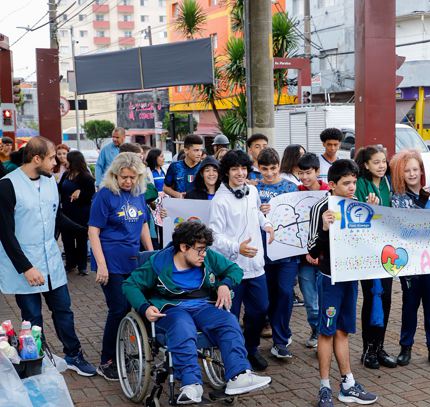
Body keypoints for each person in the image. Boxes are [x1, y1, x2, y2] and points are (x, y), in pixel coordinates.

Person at [122, 221, 272, 403]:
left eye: (206, 249)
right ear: (184, 247)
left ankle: (238, 375)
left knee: (228, 321)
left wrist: (225, 284)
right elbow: (130, 285)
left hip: (203, 305)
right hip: (172, 307)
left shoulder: (208, 257)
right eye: (200, 249)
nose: (204, 254)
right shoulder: (158, 263)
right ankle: (191, 384)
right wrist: (145, 308)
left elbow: (234, 269)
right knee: (182, 326)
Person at [0, 136, 96, 376]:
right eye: (52, 157)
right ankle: (36, 361)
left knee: (63, 309)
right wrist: (26, 267)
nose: (56, 162)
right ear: (36, 158)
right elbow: (5, 233)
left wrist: (86, 232)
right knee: (32, 316)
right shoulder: (7, 185)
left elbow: (56, 217)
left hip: (51, 260)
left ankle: (74, 355)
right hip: (24, 264)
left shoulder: (51, 182)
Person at [308, 159, 378, 407]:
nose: (351, 187)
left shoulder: (356, 206)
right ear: (332, 184)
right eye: (346, 183)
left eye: (354, 182)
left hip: (351, 277)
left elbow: (367, 242)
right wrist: (325, 229)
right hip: (329, 279)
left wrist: (373, 214)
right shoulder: (320, 208)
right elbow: (312, 252)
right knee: (326, 332)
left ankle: (347, 383)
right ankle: (324, 387)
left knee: (343, 331)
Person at [88, 152, 155, 380]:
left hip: (134, 261)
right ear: (114, 175)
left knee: (134, 307)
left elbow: (143, 223)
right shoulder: (105, 195)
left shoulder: (138, 193)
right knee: (117, 309)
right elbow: (93, 231)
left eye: (132, 177)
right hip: (111, 262)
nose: (128, 181)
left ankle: (125, 351)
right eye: (123, 177)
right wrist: (101, 265)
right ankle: (107, 361)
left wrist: (151, 254)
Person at [209, 150, 275, 372]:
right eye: (235, 169)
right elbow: (214, 237)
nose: (240, 173)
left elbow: (256, 213)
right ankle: (234, 358)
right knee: (230, 317)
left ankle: (251, 348)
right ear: (226, 171)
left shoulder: (253, 191)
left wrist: (266, 224)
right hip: (231, 269)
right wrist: (237, 247)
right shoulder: (219, 201)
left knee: (259, 310)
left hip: (256, 267)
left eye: (244, 168)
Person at [388, 150, 430, 369]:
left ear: (422, 171)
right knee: (410, 305)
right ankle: (406, 348)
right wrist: (422, 200)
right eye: (407, 170)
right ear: (400, 173)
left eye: (415, 169)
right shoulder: (397, 197)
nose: (412, 173)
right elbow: (406, 224)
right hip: (409, 261)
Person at [353, 145, 396, 370]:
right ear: (366, 165)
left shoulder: (390, 183)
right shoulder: (360, 184)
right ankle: (367, 350)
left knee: (386, 298)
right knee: (371, 297)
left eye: (383, 161)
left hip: (387, 251)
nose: (381, 166)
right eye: (376, 162)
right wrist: (369, 208)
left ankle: (379, 347)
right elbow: (356, 216)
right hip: (367, 250)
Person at [254, 148, 298, 359]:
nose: (270, 173)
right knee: (267, 296)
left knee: (285, 292)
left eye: (273, 168)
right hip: (261, 252)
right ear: (258, 168)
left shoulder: (291, 187)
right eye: (265, 169)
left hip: (286, 252)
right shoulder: (253, 187)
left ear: (279, 166)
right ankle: (277, 334)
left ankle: (280, 340)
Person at [296, 153, 330, 349]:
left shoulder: (329, 193)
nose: (305, 177)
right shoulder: (295, 192)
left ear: (317, 172)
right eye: (301, 173)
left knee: (327, 297)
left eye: (308, 173)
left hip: (325, 256)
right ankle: (316, 330)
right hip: (304, 258)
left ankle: (326, 331)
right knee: (310, 300)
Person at [58, 150, 95, 276]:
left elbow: (91, 195)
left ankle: (82, 266)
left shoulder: (86, 177)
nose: (65, 161)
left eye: (67, 159)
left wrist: (80, 192)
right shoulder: (66, 175)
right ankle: (70, 264)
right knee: (67, 240)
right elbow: (60, 190)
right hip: (66, 213)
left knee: (81, 240)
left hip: (81, 213)